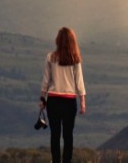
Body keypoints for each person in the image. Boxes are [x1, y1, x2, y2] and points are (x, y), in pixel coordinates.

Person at [40, 27, 86, 163]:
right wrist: (83, 102)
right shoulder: (75, 58)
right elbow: (79, 82)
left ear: (58, 40)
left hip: (53, 100)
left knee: (55, 135)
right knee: (68, 135)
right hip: (69, 101)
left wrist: (43, 99)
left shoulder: (51, 57)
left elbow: (45, 81)